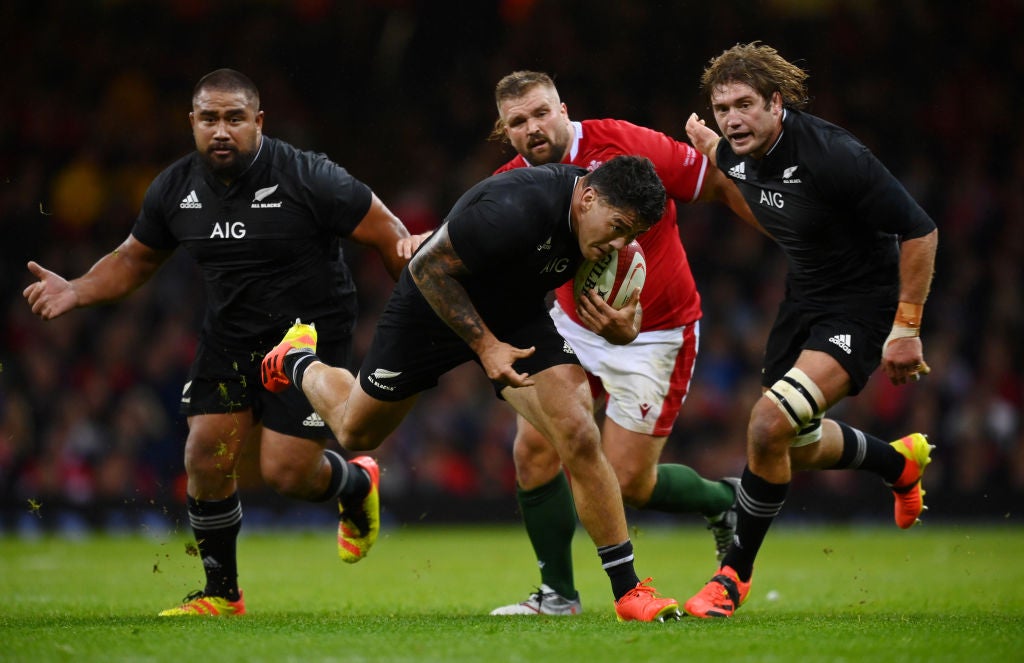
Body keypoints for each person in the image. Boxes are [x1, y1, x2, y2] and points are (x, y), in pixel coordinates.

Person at [22, 69, 412, 616]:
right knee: (205, 451)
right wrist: (78, 289)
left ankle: (353, 484)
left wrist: (421, 304)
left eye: (234, 118)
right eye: (209, 119)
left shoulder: (308, 176)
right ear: (192, 124)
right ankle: (221, 593)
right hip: (231, 333)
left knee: (287, 473)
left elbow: (388, 231)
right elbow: (134, 259)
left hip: (308, 335)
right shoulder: (174, 188)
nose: (221, 130)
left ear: (258, 121)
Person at [262, 155, 683, 622]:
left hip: (515, 313)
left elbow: (627, 301)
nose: (620, 243)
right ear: (587, 199)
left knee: (578, 432)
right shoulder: (514, 207)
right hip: (432, 306)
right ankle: (298, 358)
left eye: (632, 235)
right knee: (356, 432)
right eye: (619, 227)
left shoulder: (607, 237)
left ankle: (629, 591)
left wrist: (628, 327)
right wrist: (485, 347)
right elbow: (426, 268)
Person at [482, 71, 758, 617]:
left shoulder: (626, 143)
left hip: (658, 331)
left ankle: (724, 502)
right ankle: (557, 595)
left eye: (541, 113)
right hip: (571, 326)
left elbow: (715, 183)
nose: (533, 128)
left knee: (628, 481)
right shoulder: (510, 182)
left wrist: (786, 234)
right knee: (534, 449)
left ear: (564, 109)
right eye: (518, 122)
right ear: (505, 130)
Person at [681, 42, 939, 618]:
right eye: (722, 108)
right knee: (788, 443)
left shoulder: (834, 154)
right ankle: (898, 465)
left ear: (777, 103)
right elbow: (772, 213)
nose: (731, 118)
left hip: (862, 307)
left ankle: (731, 579)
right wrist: (716, 155)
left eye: (744, 104)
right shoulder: (735, 152)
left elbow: (920, 231)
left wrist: (906, 326)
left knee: (767, 422)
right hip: (803, 302)